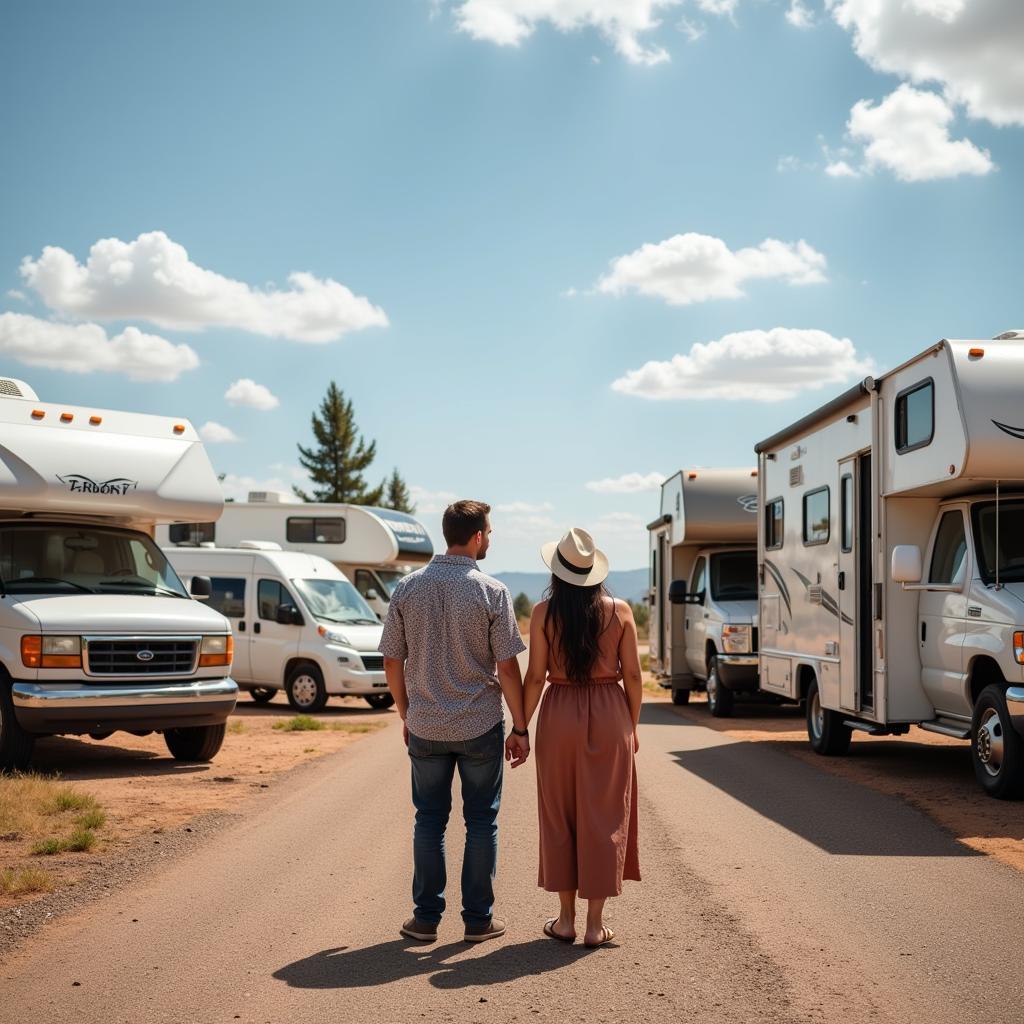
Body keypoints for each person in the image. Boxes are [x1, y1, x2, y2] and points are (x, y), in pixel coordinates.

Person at [380, 499, 531, 945]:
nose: (491, 538)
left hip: (426, 725)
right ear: (479, 535)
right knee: (481, 821)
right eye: (491, 531)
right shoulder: (493, 592)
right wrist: (520, 727)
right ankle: (477, 921)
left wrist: (406, 710)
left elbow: (392, 658)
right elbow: (507, 668)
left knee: (429, 820)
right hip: (480, 725)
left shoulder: (407, 588)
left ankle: (425, 920)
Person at [523, 527, 642, 948]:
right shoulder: (621, 611)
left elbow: (536, 676)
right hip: (611, 714)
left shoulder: (542, 614)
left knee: (560, 815)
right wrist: (632, 725)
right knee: (605, 815)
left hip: (558, 713)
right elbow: (632, 675)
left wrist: (520, 727)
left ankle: (565, 920)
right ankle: (595, 925)